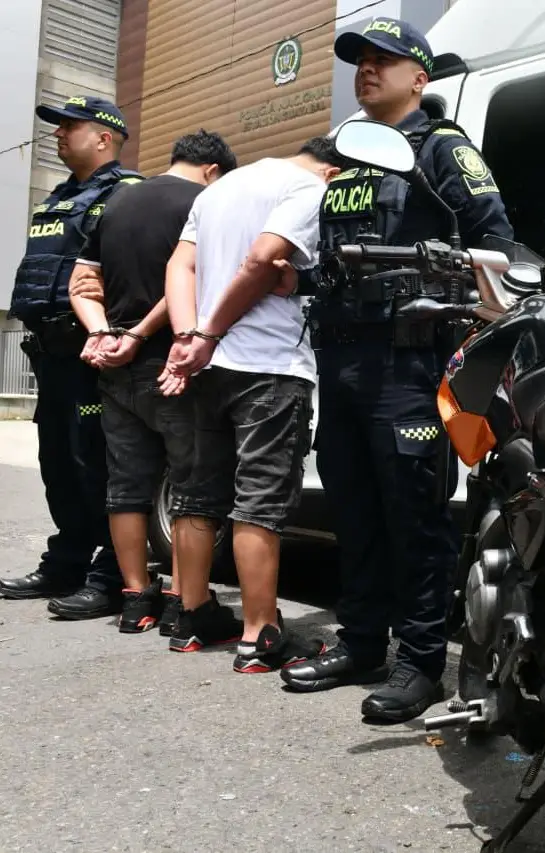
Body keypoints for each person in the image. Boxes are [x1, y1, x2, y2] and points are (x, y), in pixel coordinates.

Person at [277, 18, 514, 723]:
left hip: (408, 362)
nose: (367, 70)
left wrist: (462, 317)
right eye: (360, 61)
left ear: (420, 77)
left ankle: (420, 662)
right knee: (353, 510)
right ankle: (360, 642)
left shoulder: (442, 148)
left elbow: (494, 241)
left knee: (413, 516)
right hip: (342, 360)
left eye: (384, 60)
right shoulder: (351, 156)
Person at [156, 137, 345, 673]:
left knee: (196, 494)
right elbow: (263, 259)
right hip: (268, 365)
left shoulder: (220, 188)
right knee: (259, 498)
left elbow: (180, 266)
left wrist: (188, 336)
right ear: (332, 171)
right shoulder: (308, 188)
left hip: (207, 368)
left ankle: (192, 616)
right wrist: (210, 333)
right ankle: (261, 634)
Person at [67, 130, 238, 635]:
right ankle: (186, 602)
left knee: (125, 485)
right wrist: (140, 335)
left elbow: (82, 284)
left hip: (115, 369)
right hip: (173, 365)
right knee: (191, 485)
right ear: (213, 170)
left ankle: (135, 598)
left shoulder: (117, 202)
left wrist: (102, 333)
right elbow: (188, 280)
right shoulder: (204, 203)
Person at [1, 96, 142, 619]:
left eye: (70, 126)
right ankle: (66, 562)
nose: (58, 134)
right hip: (49, 356)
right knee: (58, 465)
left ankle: (112, 575)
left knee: (95, 466)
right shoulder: (60, 197)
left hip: (93, 357)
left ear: (105, 137)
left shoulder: (127, 194)